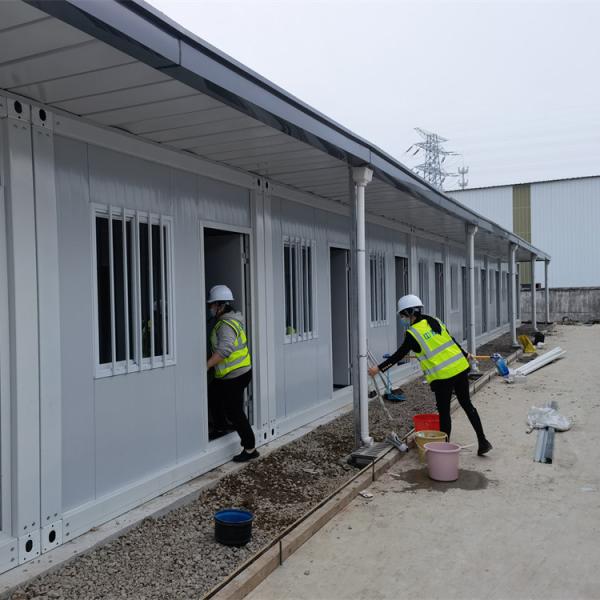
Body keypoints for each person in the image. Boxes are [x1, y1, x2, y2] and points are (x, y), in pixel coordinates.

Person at [368, 294, 492, 456]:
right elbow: (451, 340)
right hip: (461, 368)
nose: (402, 319)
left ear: (409, 313)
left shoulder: (413, 333)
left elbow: (398, 356)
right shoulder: (435, 321)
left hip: (443, 376)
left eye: (402, 315)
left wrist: (378, 369)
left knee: (444, 413)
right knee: (467, 405)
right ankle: (483, 442)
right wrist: (464, 354)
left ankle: (444, 453)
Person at [206, 284, 258, 463]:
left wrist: (206, 366)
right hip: (238, 372)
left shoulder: (225, 325)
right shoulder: (231, 320)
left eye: (212, 305)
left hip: (234, 375)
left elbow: (225, 350)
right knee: (213, 393)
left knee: (235, 411)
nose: (210, 308)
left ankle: (250, 448)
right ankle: (220, 426)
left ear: (220, 305)